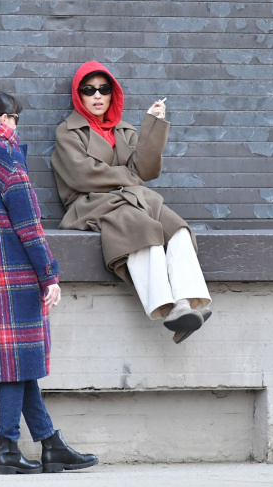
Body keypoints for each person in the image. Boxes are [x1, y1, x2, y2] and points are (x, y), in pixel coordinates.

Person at [0, 90, 98, 474]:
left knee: (18, 359)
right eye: (16, 119)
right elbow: (29, 225)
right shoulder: (5, 156)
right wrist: (49, 274)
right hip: (15, 275)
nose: (17, 126)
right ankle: (8, 447)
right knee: (16, 362)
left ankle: (50, 444)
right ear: (5, 119)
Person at [51, 62, 212, 344]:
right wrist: (130, 177)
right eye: (89, 90)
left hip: (135, 199)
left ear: (113, 94)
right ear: (79, 95)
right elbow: (83, 175)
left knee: (178, 228)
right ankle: (168, 308)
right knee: (141, 227)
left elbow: (146, 171)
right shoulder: (68, 132)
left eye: (104, 89)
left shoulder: (123, 130)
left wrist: (153, 125)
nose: (97, 95)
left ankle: (186, 302)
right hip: (91, 204)